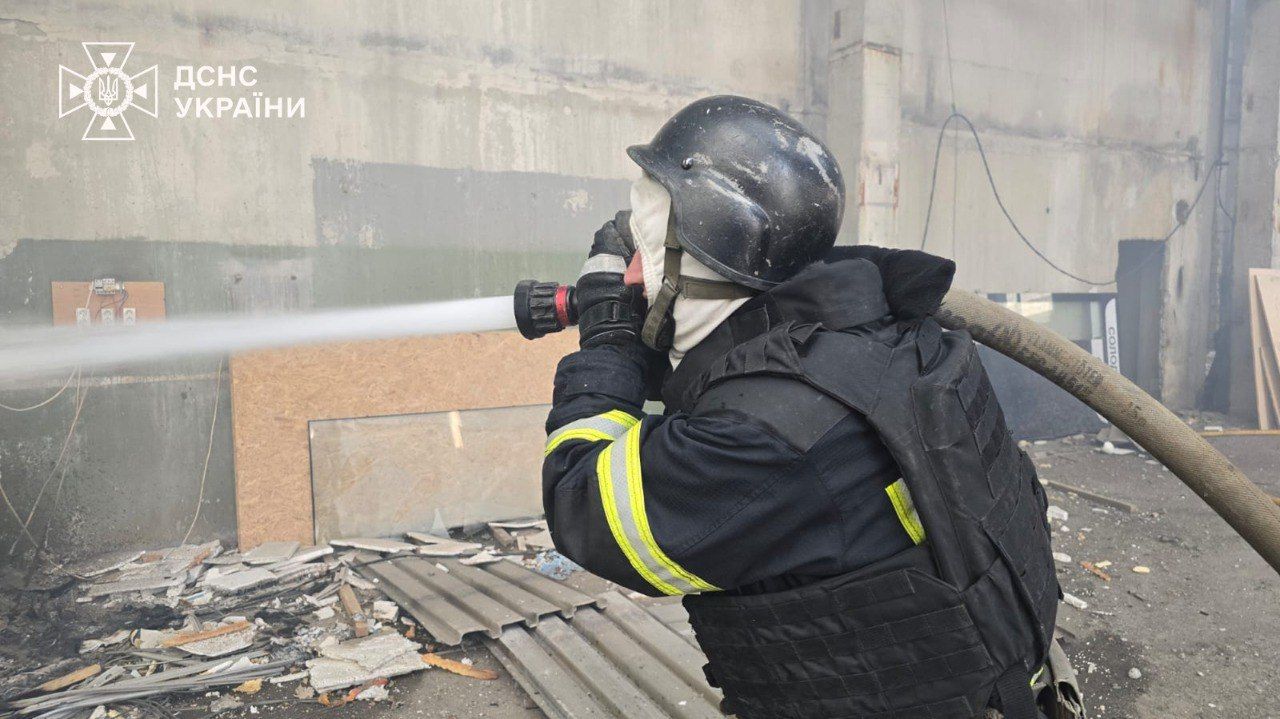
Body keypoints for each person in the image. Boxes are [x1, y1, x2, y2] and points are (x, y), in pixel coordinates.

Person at [540, 95, 1082, 719]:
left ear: (716, 254)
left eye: (651, 249)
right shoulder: (885, 335)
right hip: (1004, 690)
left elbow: (585, 507)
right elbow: (728, 374)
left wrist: (608, 345)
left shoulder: (764, 436)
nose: (634, 274)